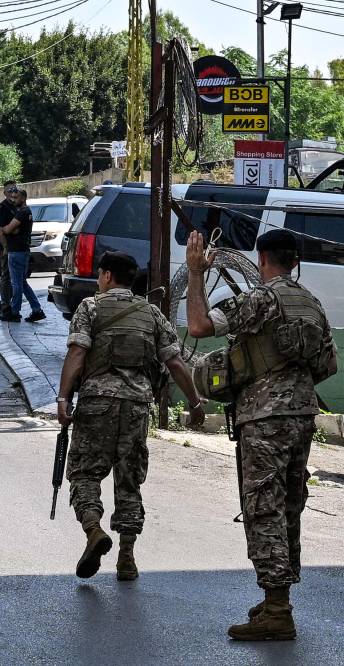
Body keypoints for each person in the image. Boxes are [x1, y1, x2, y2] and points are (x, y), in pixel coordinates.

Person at [184, 229, 337, 641]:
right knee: (288, 505)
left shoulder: (261, 299)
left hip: (265, 418)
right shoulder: (312, 304)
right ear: (296, 262)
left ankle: (277, 611)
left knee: (263, 507)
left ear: (262, 259)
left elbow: (198, 325)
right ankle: (277, 601)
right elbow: (328, 365)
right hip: (302, 415)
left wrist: (196, 274)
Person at [58, 251, 205, 582]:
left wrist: (63, 398)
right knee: (129, 479)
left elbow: (77, 353)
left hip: (97, 404)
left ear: (107, 276)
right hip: (137, 406)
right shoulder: (151, 313)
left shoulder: (90, 308)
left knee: (84, 473)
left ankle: (94, 530)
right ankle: (127, 557)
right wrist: (195, 403)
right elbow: (175, 362)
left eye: (99, 275)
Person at [0, 189, 45, 322]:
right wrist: (12, 229)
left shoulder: (23, 212)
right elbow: (12, 229)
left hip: (17, 251)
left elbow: (7, 229)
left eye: (16, 197)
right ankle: (37, 310)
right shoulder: (26, 212)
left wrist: (6, 229)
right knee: (22, 283)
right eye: (12, 197)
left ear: (23, 198)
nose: (13, 200)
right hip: (21, 251)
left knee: (16, 283)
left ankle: (14, 311)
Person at [0, 181, 18, 317]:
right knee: (6, 275)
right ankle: (4, 303)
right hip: (7, 247)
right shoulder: (2, 207)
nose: (13, 192)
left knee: (17, 277)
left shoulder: (18, 205)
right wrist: (5, 247)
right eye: (10, 190)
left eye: (15, 189)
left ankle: (8, 301)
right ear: (5, 193)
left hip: (18, 247)